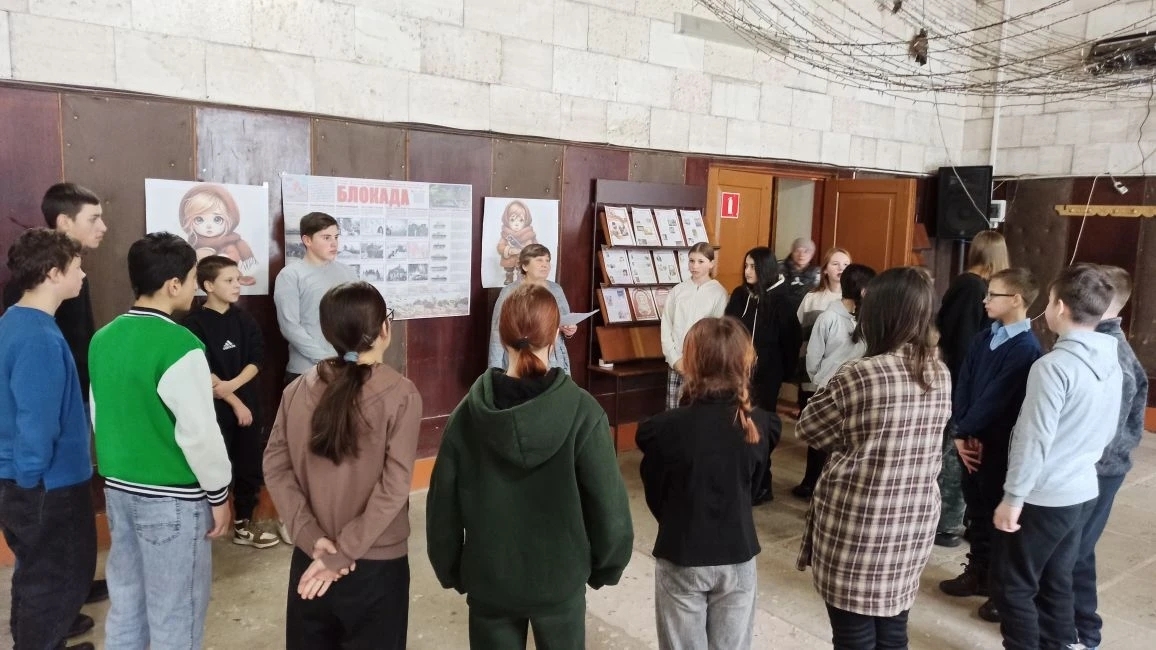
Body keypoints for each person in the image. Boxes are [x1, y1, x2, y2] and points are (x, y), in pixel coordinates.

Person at [426, 283, 633, 650]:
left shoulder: (466, 416)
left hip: (490, 579)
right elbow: (609, 506)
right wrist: (606, 567)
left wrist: (452, 569)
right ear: (554, 337)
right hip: (561, 580)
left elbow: (442, 506)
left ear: (501, 336)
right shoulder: (583, 413)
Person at [89, 233, 234, 649]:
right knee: (176, 611)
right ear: (173, 285)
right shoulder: (181, 345)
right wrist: (219, 494)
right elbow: (200, 434)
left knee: (127, 602)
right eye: (191, 279)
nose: (193, 288)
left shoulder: (103, 337)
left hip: (119, 489)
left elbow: (99, 414)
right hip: (172, 499)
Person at [795, 267, 951, 650]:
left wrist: (853, 439)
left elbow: (809, 429)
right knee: (893, 627)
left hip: (860, 521)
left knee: (853, 633)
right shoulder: (939, 372)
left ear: (879, 313)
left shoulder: (859, 374)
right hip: (913, 519)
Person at [264, 282, 422, 650]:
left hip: (312, 556)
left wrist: (309, 535)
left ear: (327, 333)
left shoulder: (296, 390)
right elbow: (395, 487)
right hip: (376, 565)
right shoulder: (401, 394)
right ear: (384, 329)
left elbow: (275, 466)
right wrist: (344, 552)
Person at [993, 264, 1121, 650]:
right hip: (1083, 489)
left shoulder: (1053, 367)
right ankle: (1063, 643)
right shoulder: (1111, 359)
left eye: (1048, 301)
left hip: (1045, 495)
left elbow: (1032, 439)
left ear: (1060, 307)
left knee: (1013, 585)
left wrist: (1013, 497)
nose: (1046, 308)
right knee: (1056, 579)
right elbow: (1109, 429)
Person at [1, 183, 109, 621]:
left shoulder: (25, 318)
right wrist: (30, 478)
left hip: (49, 451)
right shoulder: (37, 330)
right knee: (49, 564)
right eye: (93, 218)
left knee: (51, 562)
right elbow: (35, 415)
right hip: (43, 471)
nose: (103, 227)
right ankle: (48, 627)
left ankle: (58, 612)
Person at [637, 316, 779, 650]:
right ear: (745, 362)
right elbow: (754, 487)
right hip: (738, 551)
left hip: (682, 549)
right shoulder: (761, 424)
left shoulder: (663, 428)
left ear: (690, 363)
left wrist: (677, 517)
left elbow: (655, 490)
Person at [938, 268, 1042, 624]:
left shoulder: (1025, 348)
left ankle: (1001, 588)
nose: (985, 300)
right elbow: (965, 382)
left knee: (999, 518)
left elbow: (997, 398)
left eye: (992, 294)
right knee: (977, 512)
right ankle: (978, 572)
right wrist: (959, 431)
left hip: (997, 444)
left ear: (1016, 299)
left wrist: (967, 428)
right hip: (970, 439)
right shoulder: (985, 336)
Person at [1072, 266, 1149, 650]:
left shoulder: (1112, 351)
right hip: (1093, 466)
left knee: (1078, 551)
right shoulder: (1095, 341)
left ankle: (1085, 630)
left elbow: (1108, 427)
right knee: (1071, 548)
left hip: (1101, 468)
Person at [183, 255, 279, 549]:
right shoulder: (193, 323)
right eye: (229, 280)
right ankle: (208, 526)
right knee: (214, 465)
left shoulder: (244, 319)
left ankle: (244, 525)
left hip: (248, 404)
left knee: (249, 464)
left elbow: (256, 359)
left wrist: (233, 387)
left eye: (238, 280)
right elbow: (201, 367)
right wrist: (233, 401)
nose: (237, 285)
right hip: (215, 409)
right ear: (208, 285)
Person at [935, 229, 1010, 547]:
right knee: (954, 453)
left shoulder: (979, 287)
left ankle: (959, 517)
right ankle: (947, 523)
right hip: (961, 383)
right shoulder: (971, 286)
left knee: (964, 452)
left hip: (970, 383)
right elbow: (964, 343)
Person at [793, 263, 876, 499]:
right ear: (863, 290)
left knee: (845, 445)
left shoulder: (866, 320)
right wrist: (822, 382)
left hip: (856, 393)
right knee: (821, 445)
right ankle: (813, 487)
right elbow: (813, 358)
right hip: (828, 390)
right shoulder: (828, 317)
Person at [724, 246, 799, 504]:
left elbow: (790, 341)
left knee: (759, 427)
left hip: (766, 377)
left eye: (753, 267)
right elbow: (728, 328)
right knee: (735, 424)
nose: (747, 272)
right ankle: (737, 479)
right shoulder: (739, 295)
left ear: (766, 269)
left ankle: (761, 483)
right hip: (737, 373)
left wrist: (783, 373)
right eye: (746, 266)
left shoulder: (782, 301)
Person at [275, 212, 358, 386]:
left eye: (336, 237)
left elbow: (357, 316)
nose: (334, 243)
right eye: (326, 237)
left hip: (346, 366)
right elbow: (290, 326)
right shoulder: (291, 275)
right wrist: (326, 358)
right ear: (307, 240)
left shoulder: (348, 273)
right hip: (306, 371)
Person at [794, 247, 852, 496]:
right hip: (811, 371)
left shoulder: (854, 301)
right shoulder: (812, 298)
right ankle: (810, 481)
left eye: (845, 264)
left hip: (841, 374)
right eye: (835, 264)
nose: (840, 269)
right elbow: (800, 331)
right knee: (815, 429)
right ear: (825, 269)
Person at [488, 243, 575, 374]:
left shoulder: (556, 289)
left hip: (554, 359)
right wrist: (494, 372)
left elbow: (564, 322)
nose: (545, 265)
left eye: (547, 260)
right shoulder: (510, 292)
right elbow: (497, 333)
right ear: (525, 266)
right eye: (539, 260)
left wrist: (569, 331)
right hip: (520, 358)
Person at [660, 242, 728, 410]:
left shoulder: (719, 293)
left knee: (697, 410)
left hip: (702, 364)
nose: (694, 266)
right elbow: (666, 325)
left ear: (711, 263)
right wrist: (674, 359)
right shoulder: (678, 290)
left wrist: (701, 360)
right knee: (673, 411)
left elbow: (717, 331)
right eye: (691, 261)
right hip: (678, 360)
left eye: (700, 261)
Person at [178, 183, 258, 285]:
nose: (209, 226)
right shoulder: (192, 245)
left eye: (217, 219)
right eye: (199, 219)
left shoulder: (234, 243)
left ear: (230, 218)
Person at [496, 200, 538, 285]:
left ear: (526, 221)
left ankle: (520, 279)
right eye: (512, 220)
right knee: (509, 270)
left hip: (522, 259)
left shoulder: (528, 234)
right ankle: (509, 278)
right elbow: (500, 247)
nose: (516, 224)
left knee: (521, 270)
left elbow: (536, 247)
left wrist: (527, 250)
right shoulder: (506, 234)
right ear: (507, 220)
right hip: (509, 260)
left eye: (521, 220)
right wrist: (509, 250)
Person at [778, 237, 819, 310]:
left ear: (812, 254)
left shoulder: (818, 273)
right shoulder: (779, 269)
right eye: (797, 251)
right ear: (792, 252)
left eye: (806, 251)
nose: (801, 255)